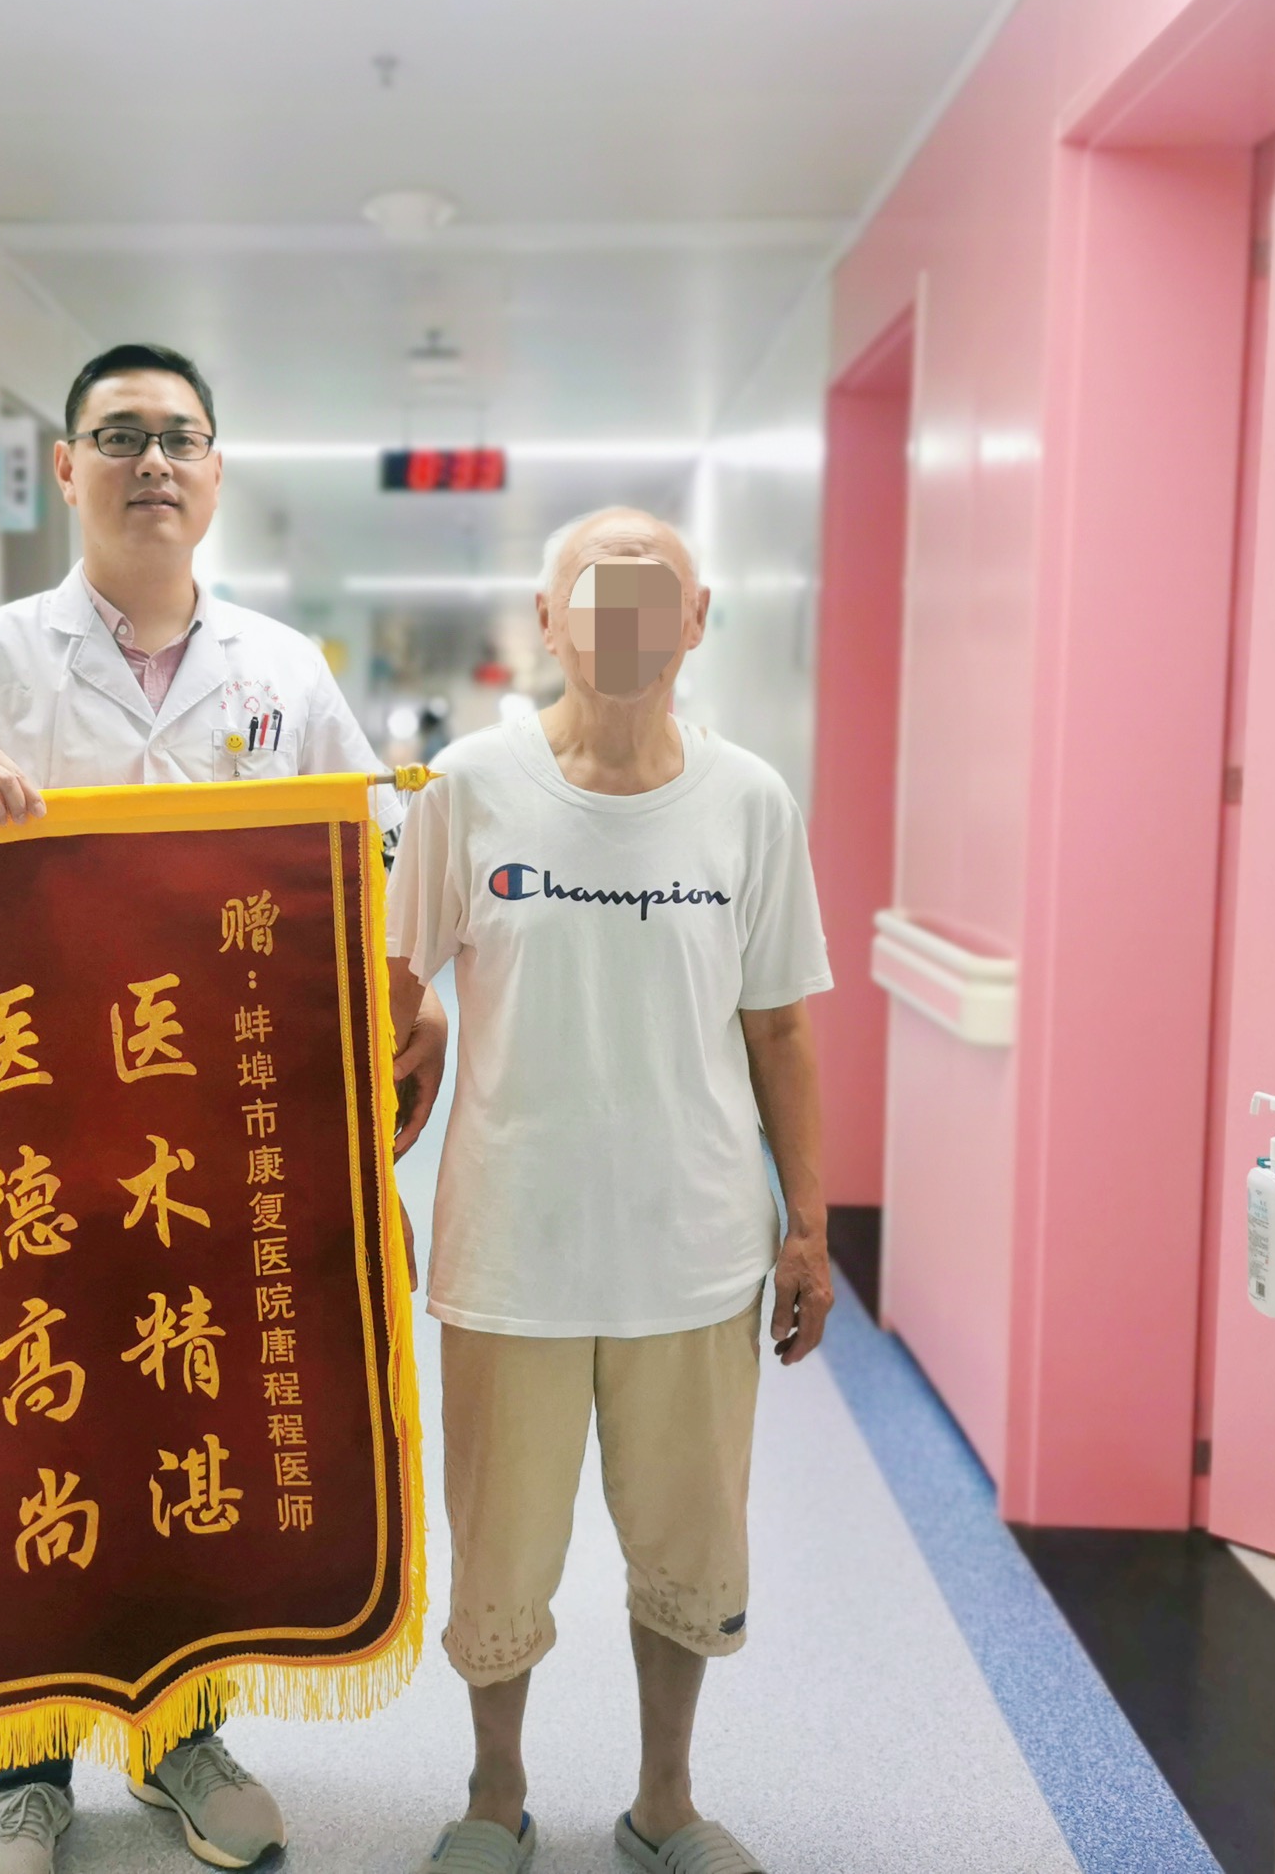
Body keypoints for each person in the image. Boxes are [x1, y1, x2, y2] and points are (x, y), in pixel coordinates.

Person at [0, 342, 449, 1874]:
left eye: (179, 436)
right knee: (35, 1426)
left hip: (206, 1144)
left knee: (193, 1430)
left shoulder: (283, 672)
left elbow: (365, 871)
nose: (151, 462)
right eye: (118, 436)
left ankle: (183, 1735)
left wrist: (414, 1008)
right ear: (65, 468)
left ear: (217, 470)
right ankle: (24, 1770)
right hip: (27, 1134)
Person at [383, 508, 835, 1874]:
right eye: (595, 590)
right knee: (500, 1550)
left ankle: (664, 1801)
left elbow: (780, 1031)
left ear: (694, 621)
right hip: (510, 1246)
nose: (625, 619)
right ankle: (494, 1793)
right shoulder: (467, 786)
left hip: (692, 1248)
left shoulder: (749, 802)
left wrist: (808, 1228)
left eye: (655, 595)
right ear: (546, 618)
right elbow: (391, 994)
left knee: (688, 1545)